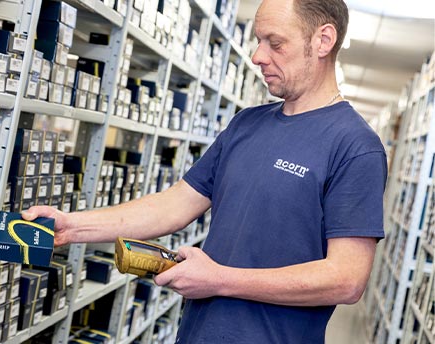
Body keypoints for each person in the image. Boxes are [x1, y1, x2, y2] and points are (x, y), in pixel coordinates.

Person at [23, 0, 388, 342]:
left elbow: (346, 280)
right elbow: (174, 205)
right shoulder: (247, 124)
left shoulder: (356, 146)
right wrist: (73, 226)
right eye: (258, 40)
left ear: (323, 40)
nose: (257, 56)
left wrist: (219, 280)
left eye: (275, 43)